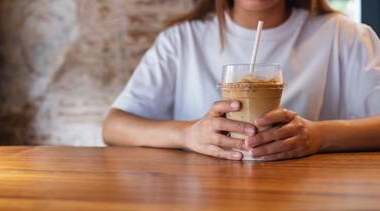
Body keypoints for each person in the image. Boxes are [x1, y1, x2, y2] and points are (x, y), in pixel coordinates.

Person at [102, 0, 380, 161]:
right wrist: (187, 133)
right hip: (203, 201)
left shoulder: (347, 37)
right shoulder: (181, 40)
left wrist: (319, 136)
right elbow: (114, 127)